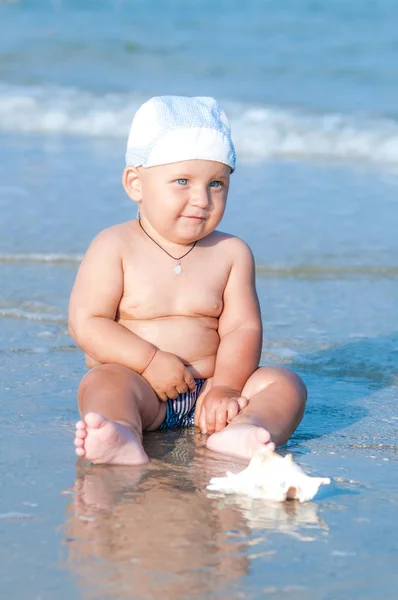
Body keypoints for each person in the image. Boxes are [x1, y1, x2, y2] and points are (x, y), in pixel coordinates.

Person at [69, 95, 307, 465]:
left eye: (216, 184)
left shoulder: (231, 252)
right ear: (135, 183)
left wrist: (227, 387)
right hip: (142, 387)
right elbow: (88, 322)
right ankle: (121, 433)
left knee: (284, 384)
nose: (201, 199)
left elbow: (242, 329)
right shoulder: (114, 245)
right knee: (103, 383)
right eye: (182, 181)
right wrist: (148, 362)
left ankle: (246, 428)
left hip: (212, 393)